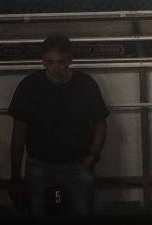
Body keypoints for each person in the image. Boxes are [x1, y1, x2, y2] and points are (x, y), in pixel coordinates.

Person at [8, 35, 108, 216]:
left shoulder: (85, 84)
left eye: (61, 62)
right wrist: (15, 178)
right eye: (50, 62)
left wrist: (93, 155)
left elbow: (100, 124)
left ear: (70, 60)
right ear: (43, 61)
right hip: (39, 165)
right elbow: (18, 133)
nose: (56, 68)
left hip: (78, 165)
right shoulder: (29, 85)